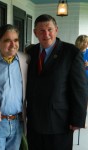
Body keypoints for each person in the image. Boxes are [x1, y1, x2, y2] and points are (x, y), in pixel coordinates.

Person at [26, 14, 87, 150]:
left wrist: (77, 119)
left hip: (60, 122)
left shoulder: (71, 52)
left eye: (50, 29)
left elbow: (80, 89)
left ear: (56, 30)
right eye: (41, 30)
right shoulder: (30, 52)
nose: (46, 34)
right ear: (35, 33)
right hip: (34, 122)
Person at [0, 24, 29, 150]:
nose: (13, 44)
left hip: (18, 121)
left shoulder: (26, 60)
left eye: (16, 40)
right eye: (7, 40)